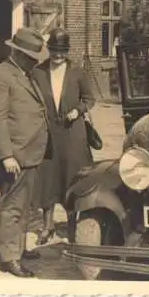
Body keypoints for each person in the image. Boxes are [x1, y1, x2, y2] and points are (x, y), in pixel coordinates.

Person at [0, 27, 51, 278]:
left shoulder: (23, 73)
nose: (34, 62)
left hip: (30, 152)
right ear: (18, 53)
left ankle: (18, 248)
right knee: (11, 207)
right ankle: (9, 257)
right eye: (31, 57)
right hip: (16, 155)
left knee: (23, 206)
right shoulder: (1, 76)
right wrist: (6, 155)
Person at [31, 27, 96, 245]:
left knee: (72, 177)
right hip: (48, 133)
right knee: (48, 177)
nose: (58, 55)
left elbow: (89, 98)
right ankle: (47, 224)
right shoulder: (38, 72)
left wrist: (78, 110)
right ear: (48, 49)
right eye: (54, 50)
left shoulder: (77, 72)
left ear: (67, 51)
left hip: (73, 134)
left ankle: (71, 224)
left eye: (62, 51)